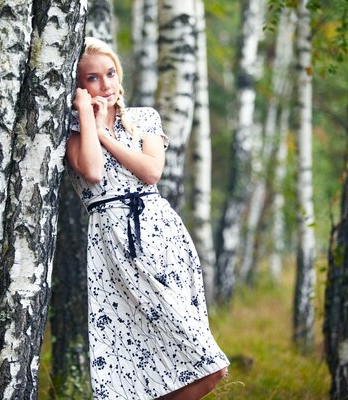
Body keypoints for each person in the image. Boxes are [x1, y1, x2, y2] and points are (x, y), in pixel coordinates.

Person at [65, 36, 230, 400]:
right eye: (92, 79)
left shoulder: (143, 118)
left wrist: (107, 135)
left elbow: (151, 171)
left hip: (160, 236)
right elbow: (92, 172)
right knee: (134, 358)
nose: (105, 84)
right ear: (79, 86)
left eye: (110, 73)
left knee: (207, 363)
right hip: (114, 245)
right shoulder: (75, 131)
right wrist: (86, 117)